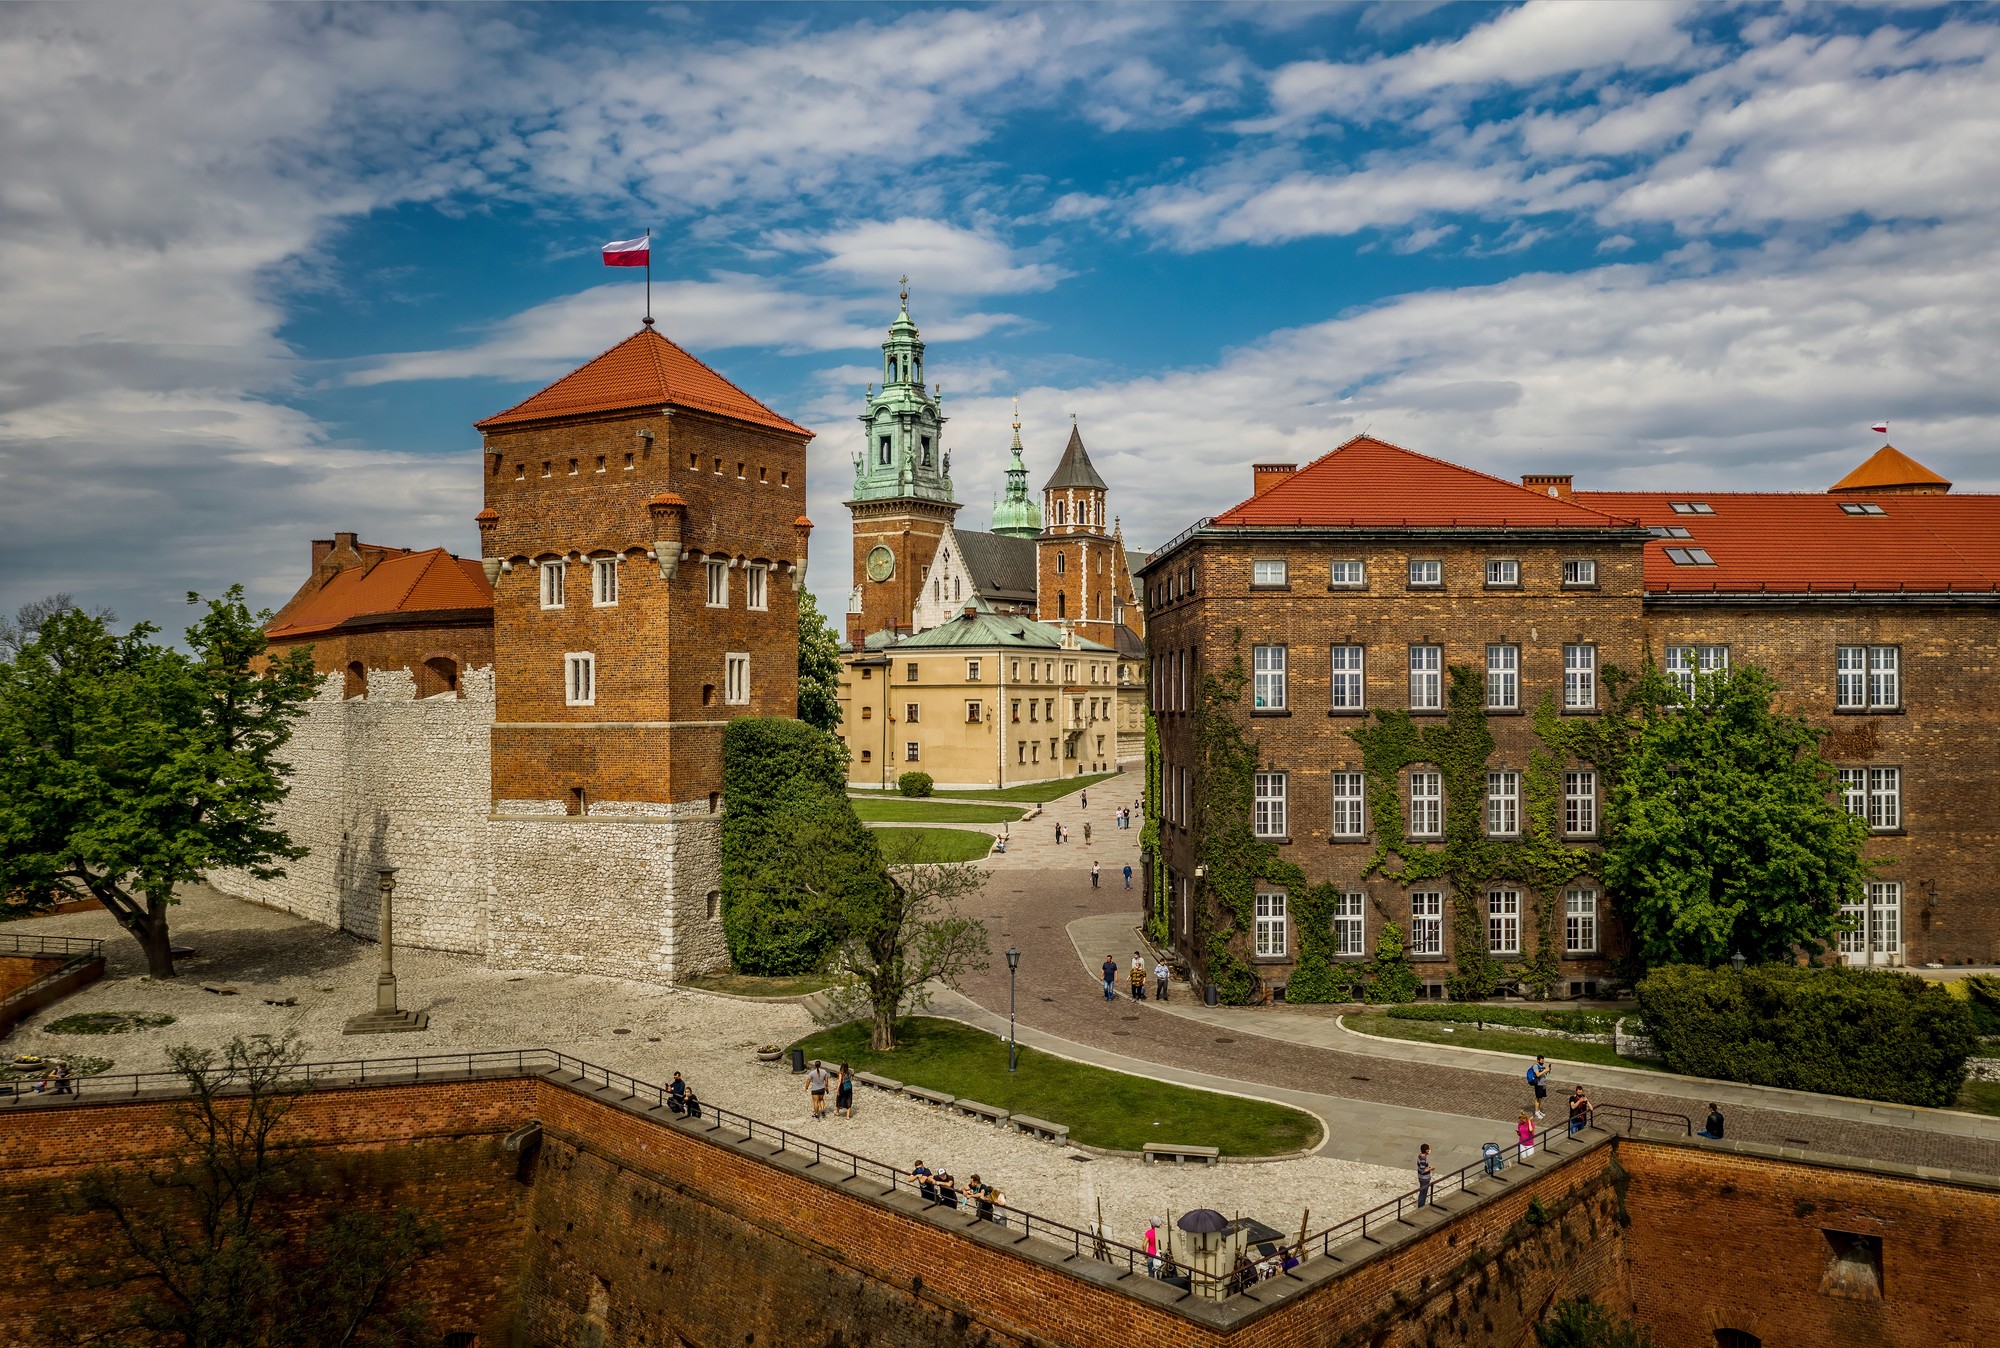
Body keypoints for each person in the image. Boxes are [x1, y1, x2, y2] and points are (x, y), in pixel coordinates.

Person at [1526, 1054, 1551, 1120]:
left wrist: (1547, 1071)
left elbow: (1543, 1074)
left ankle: (1539, 1110)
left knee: (1540, 1098)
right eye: (1541, 1060)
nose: (1542, 1062)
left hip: (1543, 1084)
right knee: (1537, 1098)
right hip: (1538, 1084)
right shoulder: (1535, 1066)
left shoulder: (1542, 1066)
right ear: (1538, 1060)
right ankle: (1536, 1111)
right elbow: (1537, 1074)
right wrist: (1545, 1070)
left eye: (1543, 1061)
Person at [1415, 1143, 1435, 1208]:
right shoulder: (1423, 1159)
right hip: (1424, 1178)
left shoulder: (1420, 1156)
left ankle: (1421, 1206)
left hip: (1422, 1178)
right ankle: (1421, 1207)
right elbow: (1422, 1170)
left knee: (1423, 1192)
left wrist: (1428, 1167)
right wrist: (1430, 1168)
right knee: (1423, 1193)